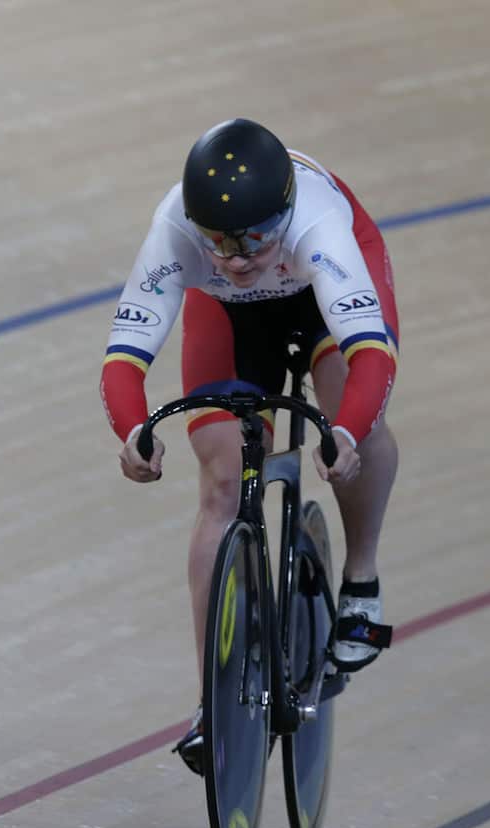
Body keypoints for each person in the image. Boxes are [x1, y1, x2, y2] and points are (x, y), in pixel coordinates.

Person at [99, 118, 398, 774]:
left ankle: (361, 579)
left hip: (320, 304)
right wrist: (132, 431)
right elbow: (123, 360)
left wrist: (345, 432)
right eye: (219, 241)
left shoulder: (319, 225)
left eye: (253, 239)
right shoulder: (174, 229)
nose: (235, 257)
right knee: (221, 483)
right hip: (231, 316)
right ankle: (213, 702)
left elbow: (373, 357)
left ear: (284, 214)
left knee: (352, 413)